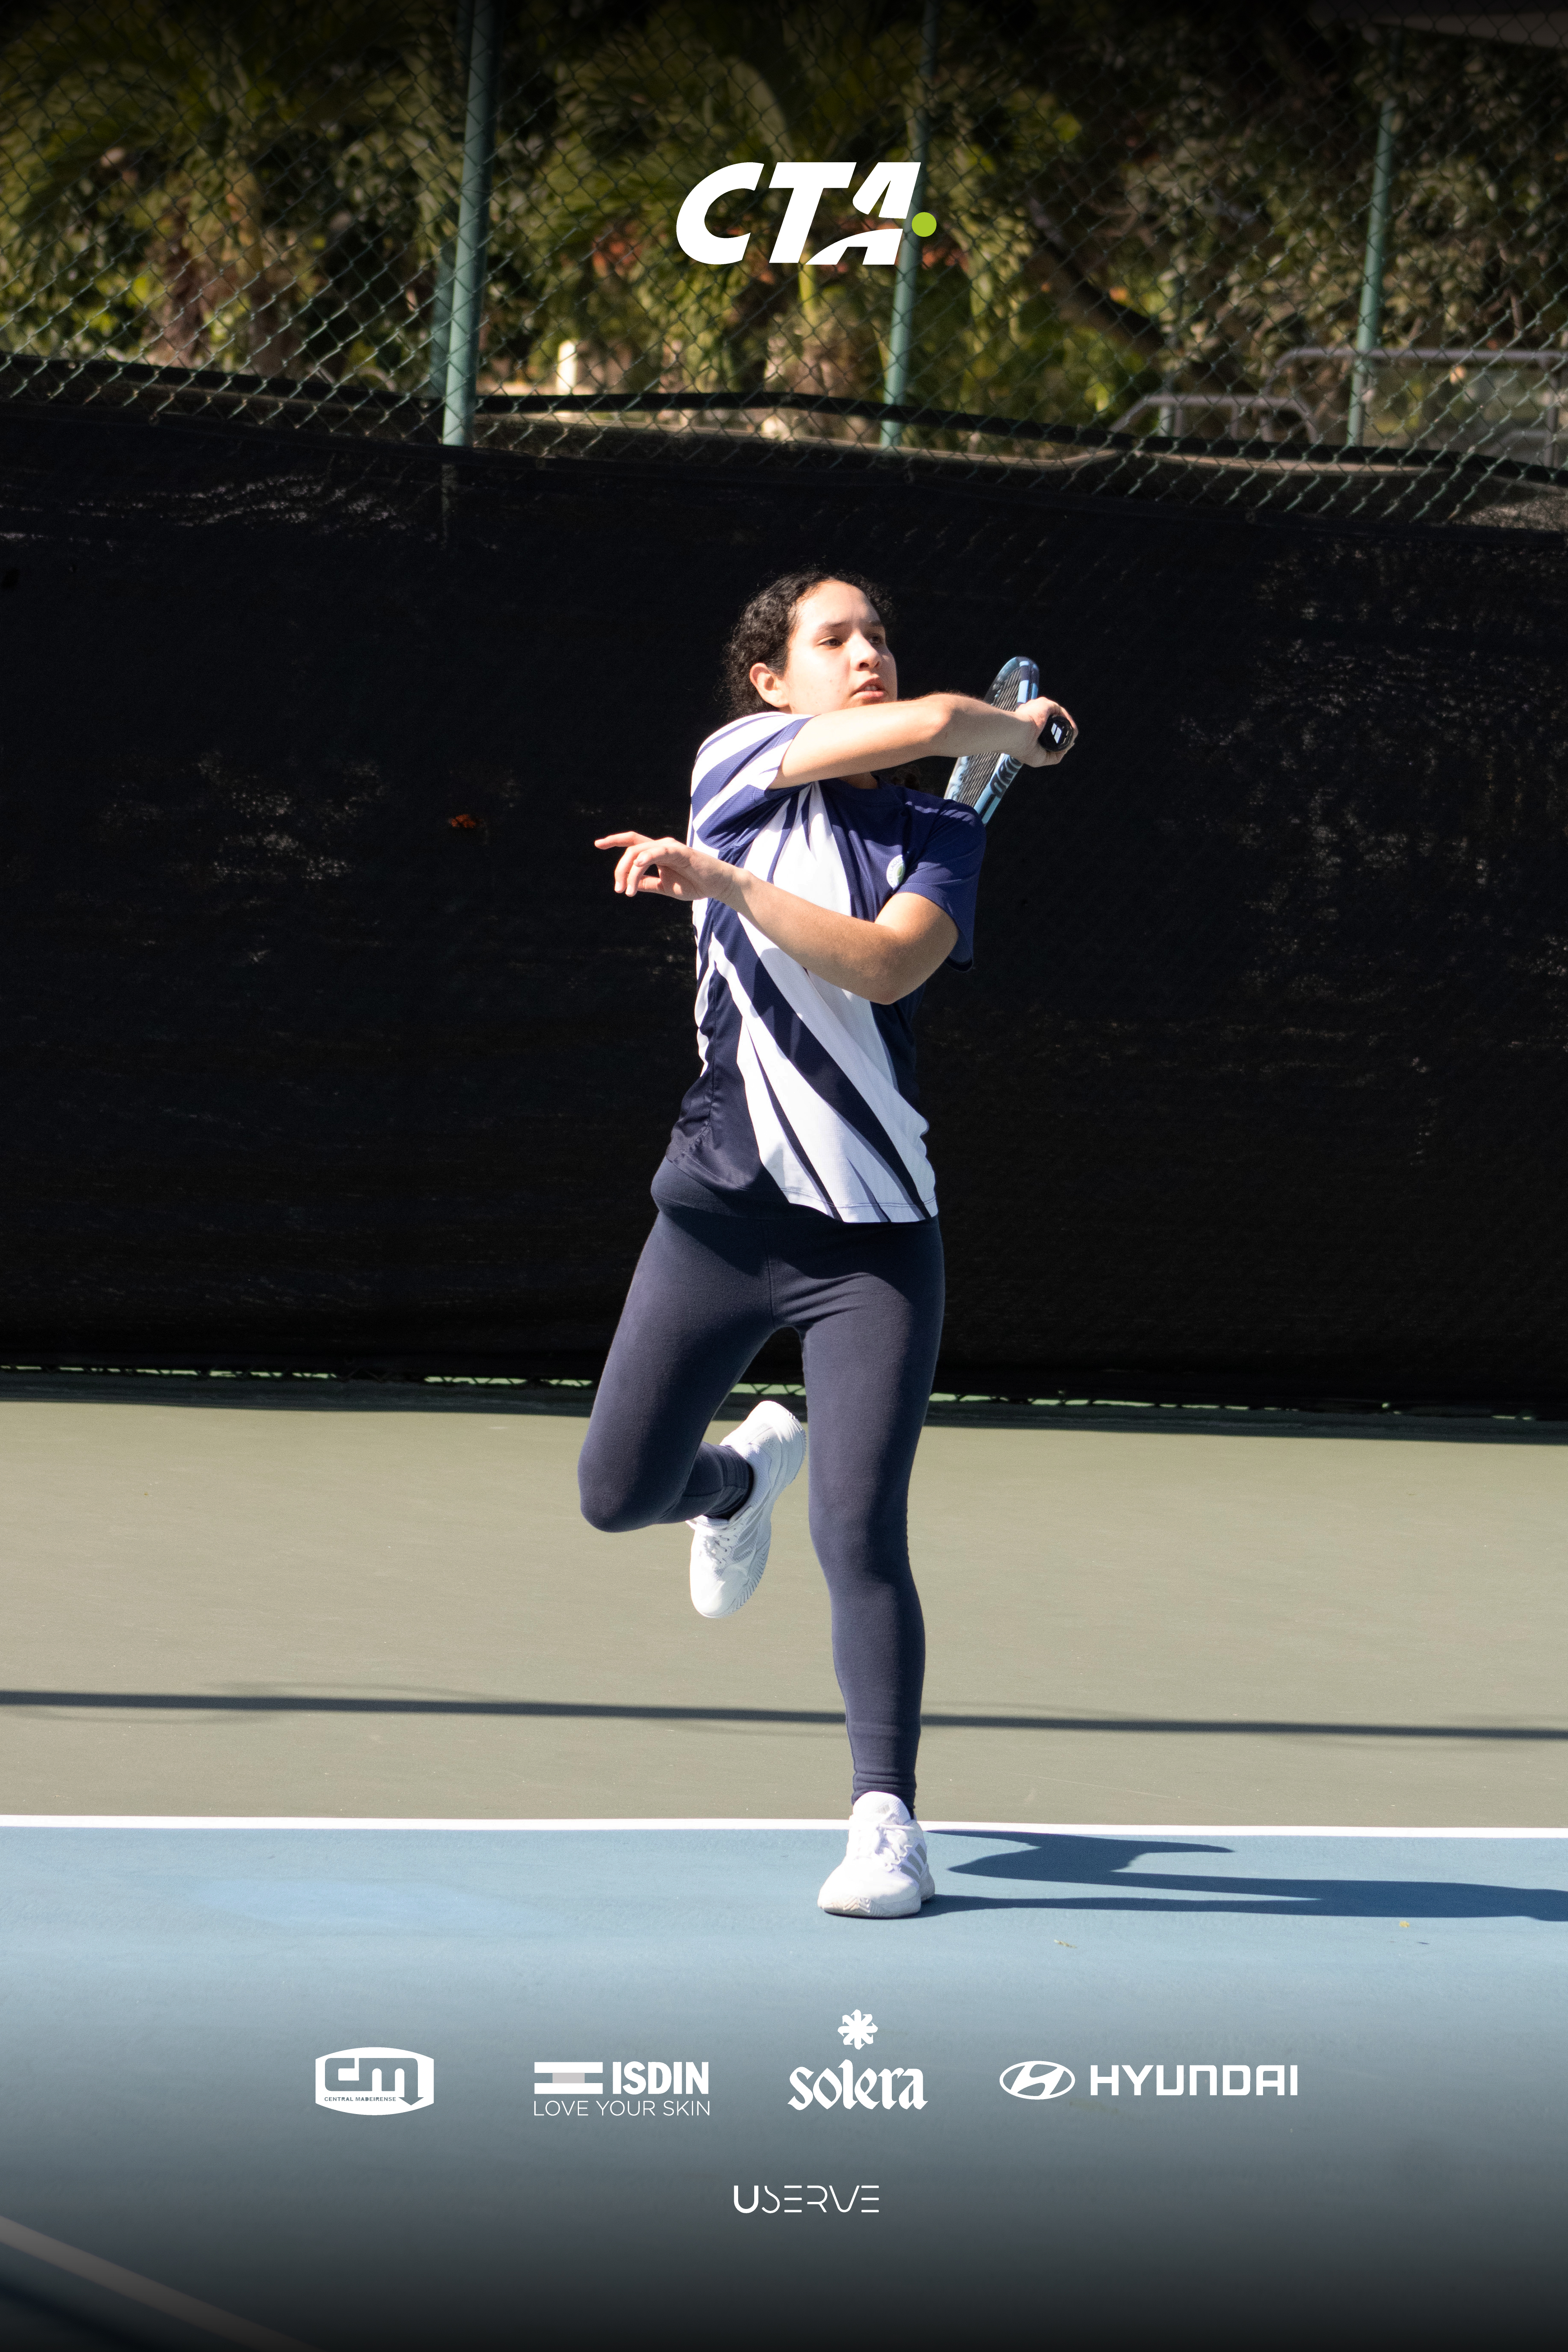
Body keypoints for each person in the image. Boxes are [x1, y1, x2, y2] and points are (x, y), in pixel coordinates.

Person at [577, 570, 1075, 1916]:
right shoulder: (736, 764)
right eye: (833, 639)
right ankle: (736, 1484)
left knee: (861, 1532)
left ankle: (886, 1824)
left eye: (880, 638)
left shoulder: (939, 837)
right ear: (771, 682)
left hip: (873, 1245)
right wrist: (1007, 732)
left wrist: (730, 887)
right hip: (720, 1219)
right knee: (616, 1493)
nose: (865, 655)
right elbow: (931, 723)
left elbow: (880, 966)